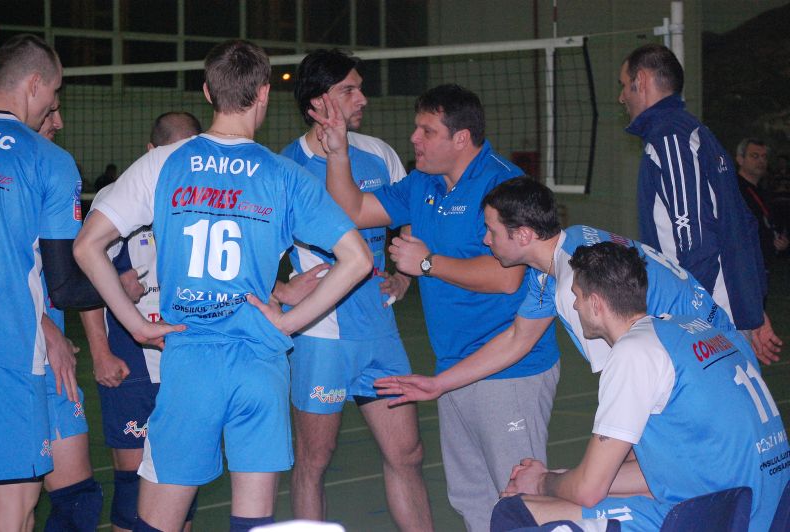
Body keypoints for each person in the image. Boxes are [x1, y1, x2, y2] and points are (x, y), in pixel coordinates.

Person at [73, 39, 372, 532]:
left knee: (157, 522)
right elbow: (358, 259)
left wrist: (136, 325)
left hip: (191, 363)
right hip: (259, 363)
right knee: (253, 522)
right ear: (264, 93)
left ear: (208, 92)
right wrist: (289, 323)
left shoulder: (164, 163)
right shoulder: (284, 175)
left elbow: (87, 246)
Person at [320, 84, 561, 531]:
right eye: (417, 128)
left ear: (461, 138)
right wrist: (337, 153)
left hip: (508, 369)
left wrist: (428, 263)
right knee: (473, 499)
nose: (414, 138)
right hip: (452, 366)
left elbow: (508, 278)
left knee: (520, 498)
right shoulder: (423, 182)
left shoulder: (503, 185)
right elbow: (352, 209)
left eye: (427, 131)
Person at [376, 177, 754, 420]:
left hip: (710, 376)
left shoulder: (577, 286)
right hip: (723, 353)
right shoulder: (567, 248)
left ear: (524, 235)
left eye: (491, 231)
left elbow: (628, 386)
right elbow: (518, 338)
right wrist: (440, 384)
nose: (485, 240)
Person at [490, 242, 789, 531]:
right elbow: (658, 472)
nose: (575, 305)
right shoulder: (691, 328)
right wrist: (562, 476)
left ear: (596, 303)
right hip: (765, 505)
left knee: (516, 510)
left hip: (720, 515)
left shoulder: (634, 352)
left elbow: (588, 491)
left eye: (577, 295)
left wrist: (540, 482)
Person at [280, 49, 432, 530]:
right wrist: (280, 290)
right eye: (349, 90)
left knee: (407, 453)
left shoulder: (379, 153)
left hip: (381, 332)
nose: (362, 98)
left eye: (360, 88)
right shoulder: (285, 167)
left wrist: (405, 273)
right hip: (321, 338)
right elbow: (249, 248)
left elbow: (409, 214)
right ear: (317, 103)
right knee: (314, 460)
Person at [0, 33, 104, 531]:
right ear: (35, 84)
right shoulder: (46, 160)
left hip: (28, 346)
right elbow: (65, 285)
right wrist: (129, 291)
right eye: (54, 95)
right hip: (12, 355)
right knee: (13, 509)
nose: (55, 111)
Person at [618, 43, 780, 364]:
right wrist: (752, 310)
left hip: (704, 323)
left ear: (642, 80)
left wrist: (682, 323)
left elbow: (694, 242)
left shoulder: (669, 139)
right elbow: (742, 227)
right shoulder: (696, 132)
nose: (621, 97)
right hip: (726, 314)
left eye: (624, 85)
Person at [80, 111, 202, 532]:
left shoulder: (204, 196)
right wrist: (100, 352)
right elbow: (84, 276)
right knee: (133, 486)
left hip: (186, 361)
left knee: (182, 481)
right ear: (150, 153)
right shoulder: (119, 197)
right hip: (131, 361)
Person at [36, 98, 104, 531]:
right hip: (21, 356)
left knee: (72, 501)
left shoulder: (45, 170)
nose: (59, 122)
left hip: (49, 360)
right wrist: (42, 325)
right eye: (51, 109)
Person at [736, 137, 789, 261]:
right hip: (743, 262)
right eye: (754, 156)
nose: (761, 161)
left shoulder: (762, 191)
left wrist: (780, 240)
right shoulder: (733, 190)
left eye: (764, 157)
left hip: (762, 262)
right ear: (740, 159)